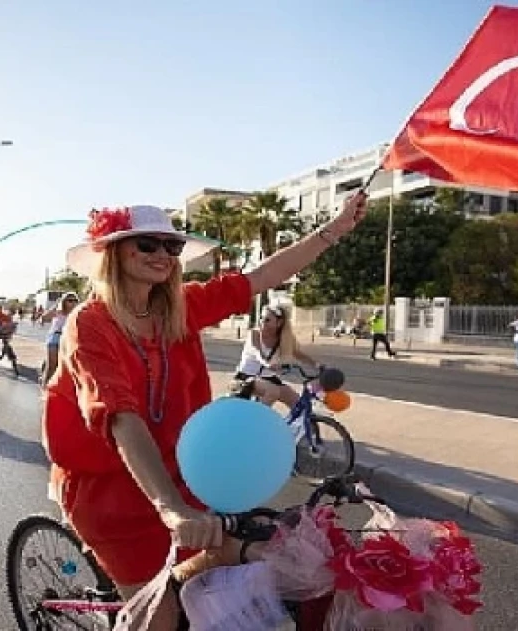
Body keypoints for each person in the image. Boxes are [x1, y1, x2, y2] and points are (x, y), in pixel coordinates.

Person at [43, 195, 367, 629]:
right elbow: (121, 417)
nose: (163, 255)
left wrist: (335, 230)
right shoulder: (90, 323)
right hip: (110, 489)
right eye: (147, 244)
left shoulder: (181, 307)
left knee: (243, 571)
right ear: (114, 251)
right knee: (159, 621)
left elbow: (261, 276)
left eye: (171, 247)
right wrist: (170, 508)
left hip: (181, 474)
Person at [233, 304, 321, 409]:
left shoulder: (284, 339)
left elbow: (298, 354)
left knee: (297, 402)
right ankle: (255, 420)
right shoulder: (255, 334)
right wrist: (268, 364)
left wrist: (317, 365)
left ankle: (298, 424)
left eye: (267, 320)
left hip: (269, 379)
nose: (262, 322)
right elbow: (258, 353)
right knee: (273, 391)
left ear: (279, 323)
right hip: (247, 377)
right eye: (261, 318)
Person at [39, 292, 80, 385]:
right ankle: (45, 388)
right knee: (52, 367)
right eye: (70, 300)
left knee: (64, 368)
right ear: (64, 302)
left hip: (68, 340)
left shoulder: (77, 314)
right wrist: (55, 306)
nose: (73, 303)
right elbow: (44, 318)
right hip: (55, 337)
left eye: (75, 301)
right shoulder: (58, 312)